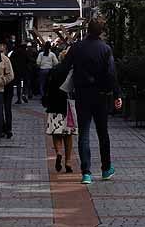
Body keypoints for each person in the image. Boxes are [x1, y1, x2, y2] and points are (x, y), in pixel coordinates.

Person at [61, 17, 122, 185]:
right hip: (101, 96)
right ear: (101, 31)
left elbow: (64, 66)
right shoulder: (105, 49)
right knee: (103, 133)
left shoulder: (77, 47)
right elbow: (111, 74)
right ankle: (106, 168)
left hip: (82, 95)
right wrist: (117, 94)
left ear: (88, 29)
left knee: (84, 134)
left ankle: (86, 172)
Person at [43, 52, 76, 174]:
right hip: (68, 105)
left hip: (54, 104)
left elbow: (47, 87)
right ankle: (68, 161)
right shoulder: (72, 71)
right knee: (68, 134)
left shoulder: (54, 70)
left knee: (56, 133)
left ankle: (58, 152)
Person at [0, 42, 15, 137]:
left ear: (6, 51)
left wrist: (2, 81)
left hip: (7, 88)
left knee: (7, 109)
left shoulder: (8, 60)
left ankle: (8, 129)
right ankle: (2, 128)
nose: (1, 53)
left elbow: (11, 75)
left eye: (2, 51)